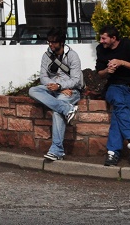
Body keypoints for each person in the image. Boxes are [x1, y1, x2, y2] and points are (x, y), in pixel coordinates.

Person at [95, 24, 130, 166]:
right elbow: (99, 74)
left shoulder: (128, 45)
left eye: (104, 38)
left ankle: (113, 153)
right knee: (119, 104)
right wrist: (108, 71)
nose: (101, 41)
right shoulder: (101, 50)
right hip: (113, 87)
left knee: (118, 113)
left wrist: (121, 62)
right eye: (101, 38)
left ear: (113, 38)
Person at [28, 27, 82, 161]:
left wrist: (60, 86)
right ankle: (67, 109)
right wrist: (55, 87)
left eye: (53, 42)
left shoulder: (72, 56)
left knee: (57, 111)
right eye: (49, 42)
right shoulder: (46, 55)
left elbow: (76, 80)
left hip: (71, 90)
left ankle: (57, 150)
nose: (51, 44)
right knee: (33, 90)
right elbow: (43, 77)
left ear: (61, 42)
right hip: (53, 89)